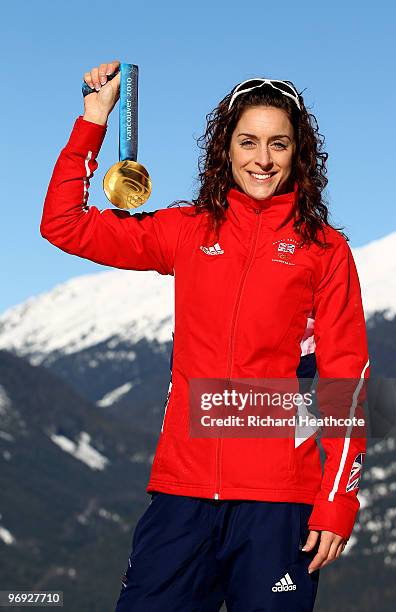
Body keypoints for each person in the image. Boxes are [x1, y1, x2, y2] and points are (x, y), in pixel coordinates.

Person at [40, 60, 370, 612]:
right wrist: (93, 121)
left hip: (276, 503)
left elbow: (346, 379)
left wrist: (337, 500)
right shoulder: (189, 231)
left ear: (298, 153)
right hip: (181, 495)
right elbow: (63, 223)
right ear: (226, 148)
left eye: (278, 144)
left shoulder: (325, 250)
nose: (262, 159)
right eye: (248, 142)